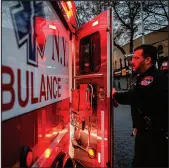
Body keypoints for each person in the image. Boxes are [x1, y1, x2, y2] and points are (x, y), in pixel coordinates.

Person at [112, 44, 168, 167]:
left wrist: (115, 94)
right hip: (146, 131)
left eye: (136, 58)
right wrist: (139, 124)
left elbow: (135, 97)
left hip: (154, 137)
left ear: (147, 60)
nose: (131, 61)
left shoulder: (152, 78)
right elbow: (147, 104)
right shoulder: (144, 76)